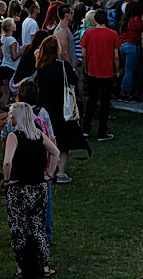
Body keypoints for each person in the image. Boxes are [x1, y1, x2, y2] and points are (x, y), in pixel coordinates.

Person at [2, 102, 60, 279]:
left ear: (18, 117)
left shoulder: (14, 136)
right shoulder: (38, 135)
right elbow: (56, 152)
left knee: (18, 228)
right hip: (39, 187)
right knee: (38, 227)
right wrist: (49, 174)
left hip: (19, 188)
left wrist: (6, 180)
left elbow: (7, 162)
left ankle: (21, 267)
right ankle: (45, 265)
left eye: (12, 115)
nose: (10, 118)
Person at [33, 36, 87, 183]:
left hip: (45, 107)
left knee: (48, 139)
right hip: (61, 107)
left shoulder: (40, 68)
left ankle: (49, 168)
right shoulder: (62, 66)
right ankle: (60, 171)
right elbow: (75, 80)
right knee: (64, 140)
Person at [79, 10, 120, 142]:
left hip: (92, 70)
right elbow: (116, 56)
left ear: (94, 20)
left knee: (91, 100)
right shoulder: (113, 34)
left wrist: (85, 67)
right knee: (104, 102)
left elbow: (84, 53)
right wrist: (117, 70)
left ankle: (86, 128)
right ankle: (102, 131)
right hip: (107, 72)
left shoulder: (88, 33)